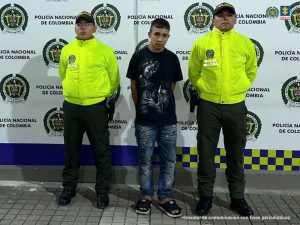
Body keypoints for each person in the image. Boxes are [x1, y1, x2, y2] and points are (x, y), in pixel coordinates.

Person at [188, 2, 258, 217]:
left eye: (229, 15)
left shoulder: (245, 43)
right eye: (220, 15)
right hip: (208, 107)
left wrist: (241, 88)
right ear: (213, 19)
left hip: (236, 106)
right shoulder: (202, 43)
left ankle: (237, 198)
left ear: (235, 19)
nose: (225, 18)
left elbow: (251, 70)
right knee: (206, 153)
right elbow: (194, 72)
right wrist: (204, 89)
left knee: (236, 154)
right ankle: (206, 197)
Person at [58, 11, 120, 209]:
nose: (83, 27)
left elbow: (114, 80)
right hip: (72, 107)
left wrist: (98, 96)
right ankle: (68, 188)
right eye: (79, 24)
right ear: (75, 27)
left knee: (101, 151)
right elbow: (63, 74)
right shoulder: (67, 50)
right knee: (71, 150)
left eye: (87, 24)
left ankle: (102, 192)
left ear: (95, 27)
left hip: (96, 108)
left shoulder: (105, 50)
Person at [126, 18, 183, 218]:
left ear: (168, 36)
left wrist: (162, 105)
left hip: (168, 121)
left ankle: (165, 196)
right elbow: (134, 85)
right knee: (145, 161)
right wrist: (141, 108)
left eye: (164, 35)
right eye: (157, 34)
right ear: (149, 34)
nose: (160, 39)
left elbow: (171, 86)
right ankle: (146, 195)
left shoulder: (173, 59)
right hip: (145, 122)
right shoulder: (138, 57)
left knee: (168, 161)